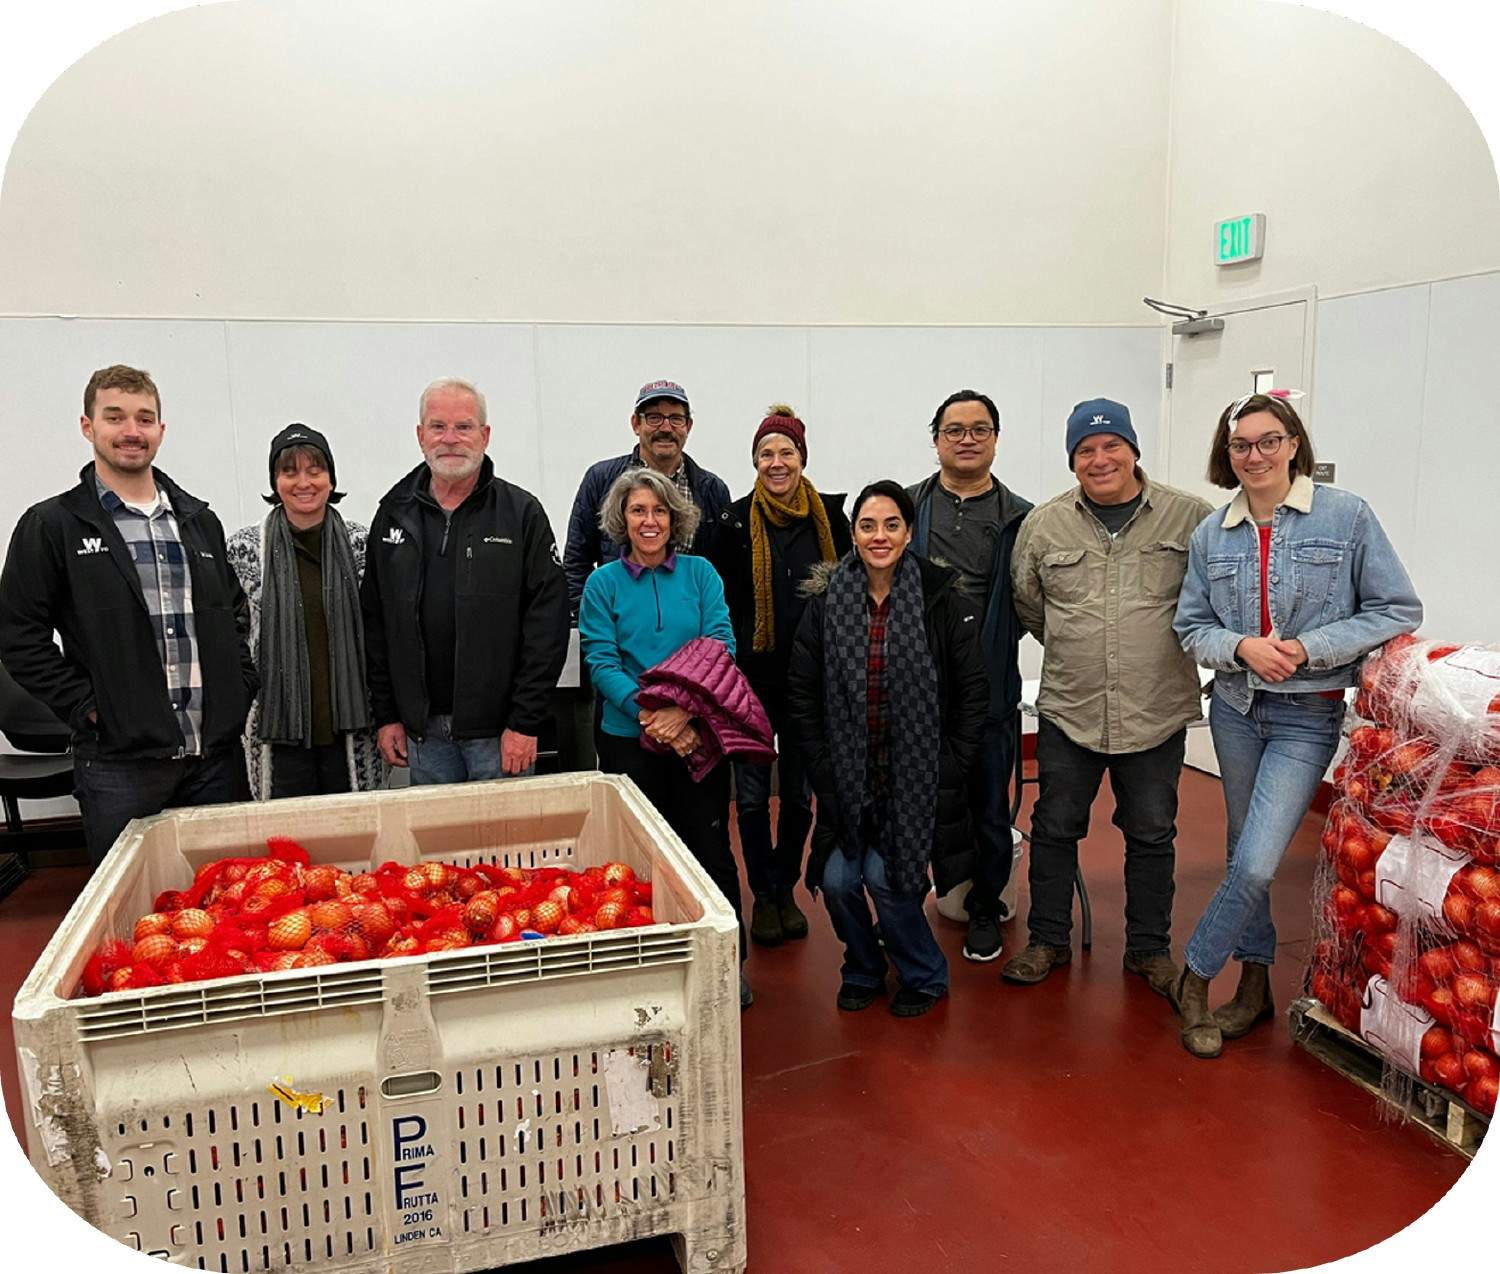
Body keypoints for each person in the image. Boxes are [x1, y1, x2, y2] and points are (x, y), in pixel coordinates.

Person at [1172, 392, 1421, 1059]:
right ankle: (1252, 990)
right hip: (1235, 710)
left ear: (1293, 444)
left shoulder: (1346, 517)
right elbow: (1191, 627)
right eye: (1241, 446)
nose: (1255, 455)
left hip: (1306, 715)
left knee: (1255, 862)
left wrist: (1314, 648)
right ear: (1227, 456)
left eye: (1268, 441)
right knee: (1238, 853)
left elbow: (1397, 608)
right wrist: (1241, 647)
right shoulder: (1211, 533)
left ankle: (1193, 978)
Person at [0, 364, 257, 865]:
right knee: (131, 916)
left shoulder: (198, 520)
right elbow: (17, 636)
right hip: (120, 767)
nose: (131, 431)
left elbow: (233, 612)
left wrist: (239, 682)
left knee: (230, 909)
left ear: (161, 429)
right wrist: (89, 706)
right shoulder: (52, 525)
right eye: (115, 417)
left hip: (216, 761)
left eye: (144, 418)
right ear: (87, 426)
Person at [1003, 398, 1213, 996]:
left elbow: (1212, 602)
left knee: (1152, 833)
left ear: (1133, 450)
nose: (1100, 460)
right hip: (1073, 709)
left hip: (1156, 710)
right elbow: (1030, 605)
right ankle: (1047, 940)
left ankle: (1148, 950)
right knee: (1054, 828)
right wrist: (1082, 647)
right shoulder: (1044, 526)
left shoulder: (1189, 518)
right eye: (1085, 451)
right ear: (1073, 461)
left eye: (1111, 446)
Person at [788, 481, 988, 1017]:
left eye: (892, 524)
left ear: (908, 531)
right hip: (849, 778)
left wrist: (950, 764)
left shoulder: (941, 598)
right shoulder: (827, 605)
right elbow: (802, 700)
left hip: (916, 779)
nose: (880, 536)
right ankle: (863, 967)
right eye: (868, 525)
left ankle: (924, 973)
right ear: (852, 534)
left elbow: (972, 694)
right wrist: (826, 774)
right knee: (835, 881)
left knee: (887, 879)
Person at [577, 468, 752, 1007]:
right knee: (639, 859)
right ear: (620, 520)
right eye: (637, 511)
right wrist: (652, 714)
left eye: (659, 511)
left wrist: (683, 712)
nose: (649, 521)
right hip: (629, 740)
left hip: (697, 734)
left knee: (710, 850)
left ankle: (726, 964)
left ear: (675, 517)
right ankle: (648, 966)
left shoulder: (701, 575)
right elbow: (601, 660)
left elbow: (720, 645)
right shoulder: (601, 583)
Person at [361, 377, 569, 784]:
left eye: (464, 427)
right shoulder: (392, 515)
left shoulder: (521, 514)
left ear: (485, 435)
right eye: (438, 427)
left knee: (504, 846)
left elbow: (548, 625)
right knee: (437, 847)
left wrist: (525, 722)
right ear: (421, 436)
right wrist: (386, 715)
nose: (451, 439)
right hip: (424, 736)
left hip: (500, 735)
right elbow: (376, 625)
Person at [709, 405, 851, 948]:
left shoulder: (832, 521)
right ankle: (762, 892)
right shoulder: (733, 522)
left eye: (785, 452)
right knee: (748, 798)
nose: (776, 462)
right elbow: (716, 602)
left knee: (797, 796)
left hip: (811, 684)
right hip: (748, 683)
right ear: (754, 461)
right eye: (766, 453)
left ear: (802, 458)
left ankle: (785, 886)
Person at [908, 389, 1033, 963]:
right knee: (913, 800)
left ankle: (986, 905)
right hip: (918, 687)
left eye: (979, 429)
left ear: (995, 440)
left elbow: (1033, 601)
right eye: (954, 429)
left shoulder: (1022, 518)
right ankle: (904, 905)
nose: (966, 439)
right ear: (935, 438)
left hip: (990, 686)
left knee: (988, 803)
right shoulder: (908, 509)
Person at [226, 424, 383, 799]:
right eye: (290, 471)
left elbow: (382, 632)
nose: (304, 482)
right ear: (275, 481)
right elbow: (231, 636)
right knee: (286, 844)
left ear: (331, 478)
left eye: (315, 470)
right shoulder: (244, 550)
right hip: (276, 732)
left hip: (353, 728)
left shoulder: (364, 545)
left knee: (357, 841)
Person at [564, 379, 731, 614]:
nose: (665, 428)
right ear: (635, 424)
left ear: (688, 426)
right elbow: (575, 562)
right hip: (620, 632)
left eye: (676, 418)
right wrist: (596, 624)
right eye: (654, 417)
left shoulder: (712, 490)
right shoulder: (601, 480)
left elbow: (723, 572)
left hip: (689, 634)